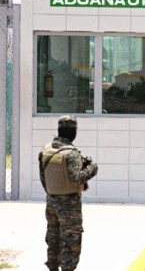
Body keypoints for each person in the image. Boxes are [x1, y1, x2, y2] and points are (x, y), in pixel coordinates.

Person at [38, 116, 98, 271]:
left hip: (51, 201)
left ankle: (52, 267)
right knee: (71, 242)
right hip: (69, 205)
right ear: (73, 132)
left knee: (53, 238)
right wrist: (92, 168)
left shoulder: (46, 150)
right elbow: (77, 178)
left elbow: (43, 178)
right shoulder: (71, 153)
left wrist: (53, 193)